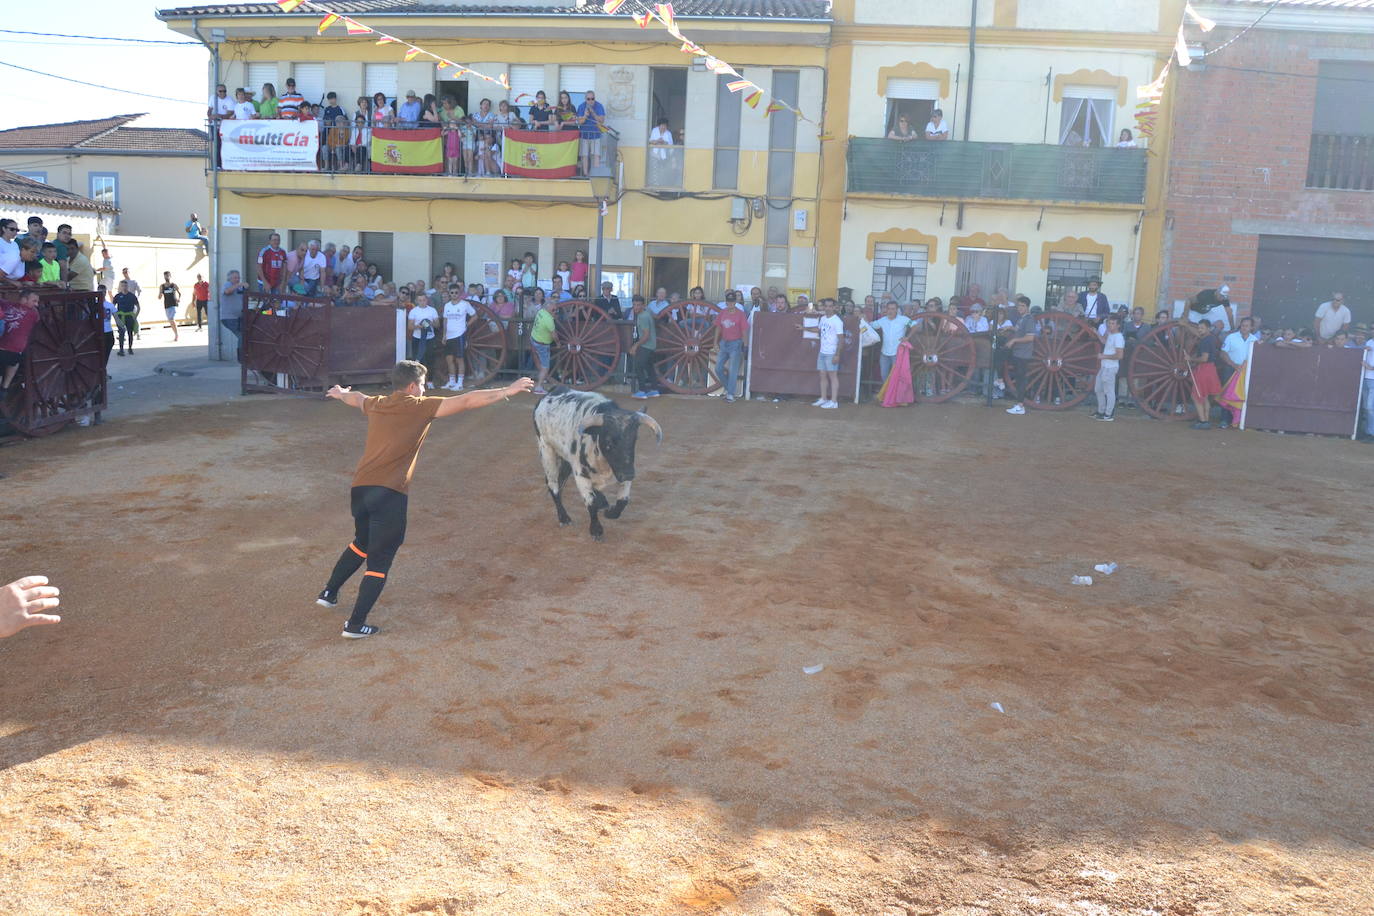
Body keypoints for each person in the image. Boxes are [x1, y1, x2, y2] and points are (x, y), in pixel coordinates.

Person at [317, 362, 534, 638]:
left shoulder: (377, 404)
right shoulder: (419, 406)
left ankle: (329, 592)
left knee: (362, 542)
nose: (424, 389)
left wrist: (338, 392)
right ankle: (355, 625)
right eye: (422, 384)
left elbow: (355, 398)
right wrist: (509, 389)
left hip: (361, 487)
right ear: (411, 386)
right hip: (390, 492)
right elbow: (467, 400)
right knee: (380, 559)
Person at [805, 297, 845, 409]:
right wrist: (804, 328)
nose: (827, 308)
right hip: (822, 351)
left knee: (833, 376)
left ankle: (834, 401)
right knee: (822, 375)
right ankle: (823, 398)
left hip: (831, 352)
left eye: (830, 306)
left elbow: (841, 339)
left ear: (834, 307)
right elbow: (818, 330)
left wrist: (837, 354)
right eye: (826, 306)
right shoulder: (822, 318)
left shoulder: (837, 321)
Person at [0, 289, 40, 391]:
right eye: (34, 301)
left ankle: (4, 389)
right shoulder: (33, 313)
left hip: (7, 347)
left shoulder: (32, 313)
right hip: (14, 349)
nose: (36, 304)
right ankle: (5, 388)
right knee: (13, 364)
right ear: (23, 299)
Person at [1186, 321, 1223, 429]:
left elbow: (1204, 358)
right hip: (1211, 369)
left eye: (1202, 328)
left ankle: (1202, 422)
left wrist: (1190, 358)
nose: (1199, 330)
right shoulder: (1210, 338)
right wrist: (1186, 325)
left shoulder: (1204, 341)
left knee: (1196, 396)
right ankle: (1206, 420)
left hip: (1204, 369)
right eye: (1199, 328)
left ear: (1208, 329)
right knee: (1205, 396)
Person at [1005, 295, 1038, 415]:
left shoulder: (1029, 319)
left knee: (1021, 379)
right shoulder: (1021, 319)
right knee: (1019, 378)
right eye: (1019, 305)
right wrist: (1011, 328)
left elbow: (1030, 337)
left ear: (1027, 307)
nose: (1020, 308)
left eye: (1022, 306)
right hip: (1018, 352)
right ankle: (1019, 404)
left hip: (1023, 353)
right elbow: (1019, 330)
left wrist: (1014, 340)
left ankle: (1020, 405)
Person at [440, 285, 477, 391]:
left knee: (459, 359)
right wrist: (444, 335)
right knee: (449, 359)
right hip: (449, 336)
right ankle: (452, 382)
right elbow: (445, 320)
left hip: (459, 335)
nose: (454, 295)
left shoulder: (465, 304)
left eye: (456, 292)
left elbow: (475, 316)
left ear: (459, 293)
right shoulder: (447, 305)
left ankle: (459, 383)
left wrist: (467, 324)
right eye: (452, 293)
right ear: (449, 293)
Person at [713, 292, 749, 402]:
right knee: (718, 368)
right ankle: (729, 389)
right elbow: (718, 328)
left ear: (735, 302)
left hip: (736, 343)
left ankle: (730, 394)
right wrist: (715, 342)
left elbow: (744, 331)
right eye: (729, 302)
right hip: (724, 343)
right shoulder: (722, 312)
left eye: (732, 302)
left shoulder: (740, 314)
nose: (730, 303)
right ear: (726, 302)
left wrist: (746, 345)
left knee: (733, 370)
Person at [870, 300, 913, 384]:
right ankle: (887, 395)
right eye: (889, 308)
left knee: (897, 376)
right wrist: (862, 320)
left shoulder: (904, 319)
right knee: (884, 375)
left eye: (893, 309)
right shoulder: (882, 320)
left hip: (897, 353)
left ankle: (894, 395)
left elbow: (915, 325)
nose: (890, 311)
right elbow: (871, 325)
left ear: (897, 309)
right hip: (884, 353)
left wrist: (908, 337)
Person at [1092, 315, 1125, 421]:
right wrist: (1097, 333)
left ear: (1118, 325)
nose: (1110, 325)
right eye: (1109, 323)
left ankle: (1108, 414)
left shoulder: (1119, 337)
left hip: (1111, 367)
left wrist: (1103, 356)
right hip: (1104, 366)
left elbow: (1119, 356)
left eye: (1113, 323)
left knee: (1109, 391)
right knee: (1098, 389)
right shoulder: (1111, 334)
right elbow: (1104, 342)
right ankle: (1101, 411)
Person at [629, 294, 659, 399]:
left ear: (643, 305)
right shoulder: (647, 313)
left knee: (639, 367)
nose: (636, 307)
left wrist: (635, 345)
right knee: (649, 368)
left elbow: (646, 335)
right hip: (652, 346)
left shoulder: (642, 317)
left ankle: (642, 391)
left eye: (638, 305)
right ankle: (654, 390)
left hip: (646, 346)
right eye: (634, 305)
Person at [408, 291, 440, 385]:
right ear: (417, 301)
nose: (422, 302)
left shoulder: (432, 310)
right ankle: (419, 382)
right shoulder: (414, 311)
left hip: (430, 338)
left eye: (424, 300)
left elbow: (437, 324)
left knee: (430, 359)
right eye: (420, 300)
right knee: (418, 360)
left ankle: (430, 381)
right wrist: (419, 326)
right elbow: (410, 326)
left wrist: (430, 324)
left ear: (427, 300)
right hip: (417, 338)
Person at [530, 292, 556, 395]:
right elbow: (554, 336)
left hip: (534, 338)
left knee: (540, 362)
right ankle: (539, 387)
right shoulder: (549, 320)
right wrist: (558, 343)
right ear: (548, 307)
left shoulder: (540, 311)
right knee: (545, 366)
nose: (555, 311)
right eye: (553, 309)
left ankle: (541, 378)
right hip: (542, 344)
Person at [576, 89, 607, 175]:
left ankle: (595, 175)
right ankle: (586, 174)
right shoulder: (581, 106)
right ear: (585, 99)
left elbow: (601, 121)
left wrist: (593, 112)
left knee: (596, 155)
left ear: (594, 98)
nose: (590, 101)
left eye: (592, 98)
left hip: (596, 135)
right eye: (588, 99)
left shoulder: (599, 106)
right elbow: (579, 122)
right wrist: (585, 115)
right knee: (584, 156)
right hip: (584, 135)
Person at [112, 280, 140, 355]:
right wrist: (116, 317)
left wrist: (135, 316)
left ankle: (130, 348)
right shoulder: (117, 296)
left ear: (128, 286)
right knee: (121, 333)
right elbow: (113, 307)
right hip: (121, 317)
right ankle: (121, 350)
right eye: (122, 286)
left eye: (125, 286)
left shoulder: (132, 296)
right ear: (120, 287)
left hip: (130, 316)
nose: (124, 287)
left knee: (130, 333)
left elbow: (138, 307)